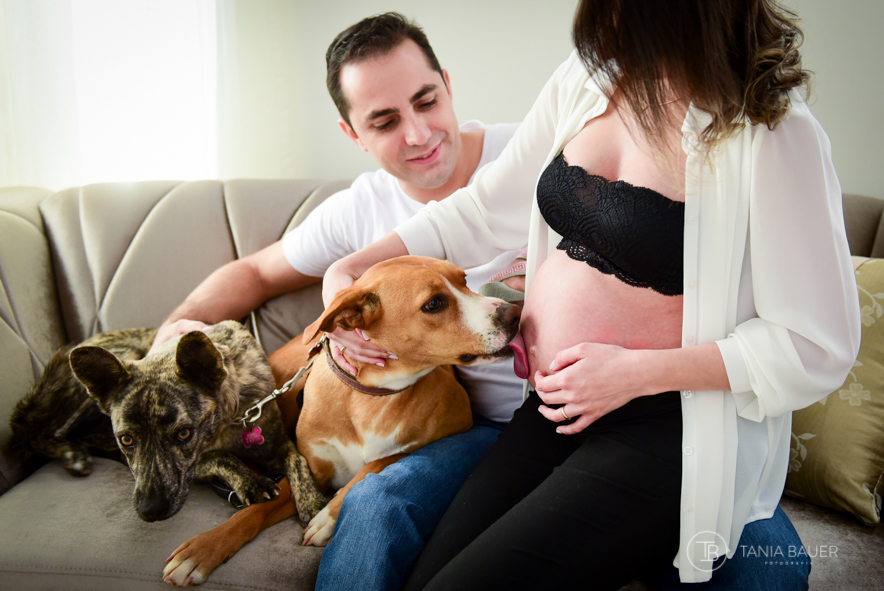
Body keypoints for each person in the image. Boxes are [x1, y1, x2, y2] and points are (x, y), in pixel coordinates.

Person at [321, 1, 861, 589]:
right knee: (429, 578)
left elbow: (815, 344)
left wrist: (634, 372)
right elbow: (484, 209)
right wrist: (354, 266)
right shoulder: (588, 78)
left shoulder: (773, 129)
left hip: (671, 428)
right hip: (555, 409)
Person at [149, 13, 525, 591]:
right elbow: (253, 271)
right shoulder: (359, 208)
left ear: (447, 85)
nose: (419, 133)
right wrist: (178, 325)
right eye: (385, 120)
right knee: (379, 501)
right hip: (478, 428)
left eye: (426, 101)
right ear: (352, 132)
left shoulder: (531, 156)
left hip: (563, 417)